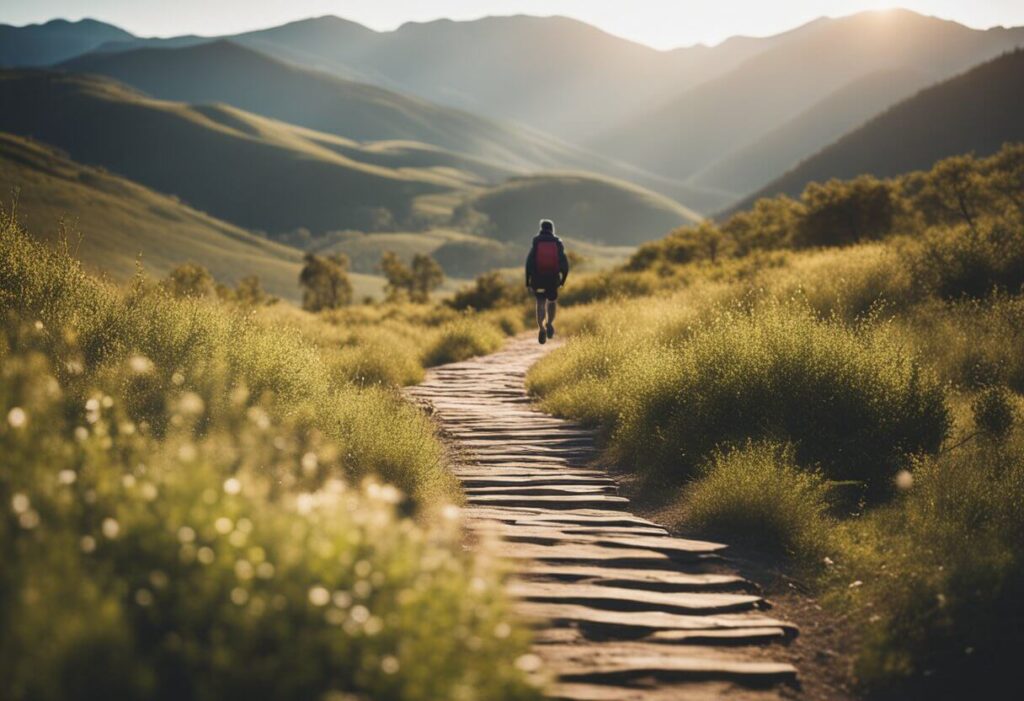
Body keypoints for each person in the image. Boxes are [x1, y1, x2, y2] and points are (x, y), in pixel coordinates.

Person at [525, 219, 569, 345]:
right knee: (552, 301)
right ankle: (549, 323)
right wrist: (562, 280)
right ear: (552, 229)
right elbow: (564, 264)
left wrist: (528, 282)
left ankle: (542, 328)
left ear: (541, 228)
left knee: (540, 302)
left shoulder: (536, 242)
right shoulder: (557, 242)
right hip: (552, 278)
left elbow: (529, 263)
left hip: (538, 279)